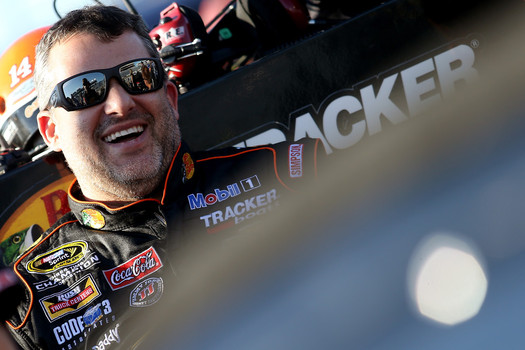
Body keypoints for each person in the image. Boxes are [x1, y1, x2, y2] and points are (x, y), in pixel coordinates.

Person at [2, 5, 325, 349]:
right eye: (86, 90)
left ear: (170, 98)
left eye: (138, 76)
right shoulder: (27, 303)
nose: (120, 103)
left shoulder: (295, 172)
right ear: (51, 131)